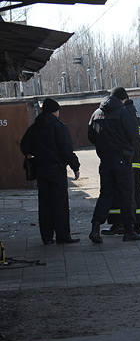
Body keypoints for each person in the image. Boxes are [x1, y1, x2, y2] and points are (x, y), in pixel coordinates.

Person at [19, 98, 81, 245]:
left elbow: (24, 148)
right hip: (56, 170)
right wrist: (75, 167)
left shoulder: (33, 128)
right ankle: (63, 236)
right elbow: (67, 150)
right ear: (55, 111)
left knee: (45, 203)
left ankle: (46, 237)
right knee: (60, 203)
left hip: (40, 170)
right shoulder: (59, 127)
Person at [87, 87, 140, 243]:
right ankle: (129, 231)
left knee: (105, 194)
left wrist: (104, 145)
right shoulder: (123, 112)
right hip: (122, 159)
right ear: (122, 99)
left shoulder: (96, 113)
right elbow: (133, 135)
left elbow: (91, 135)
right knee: (126, 194)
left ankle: (95, 227)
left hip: (105, 160)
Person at [103, 99, 140, 235]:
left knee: (122, 193)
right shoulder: (135, 112)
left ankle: (120, 224)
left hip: (127, 159)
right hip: (136, 160)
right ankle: (138, 223)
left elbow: (129, 136)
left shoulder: (125, 113)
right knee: (137, 192)